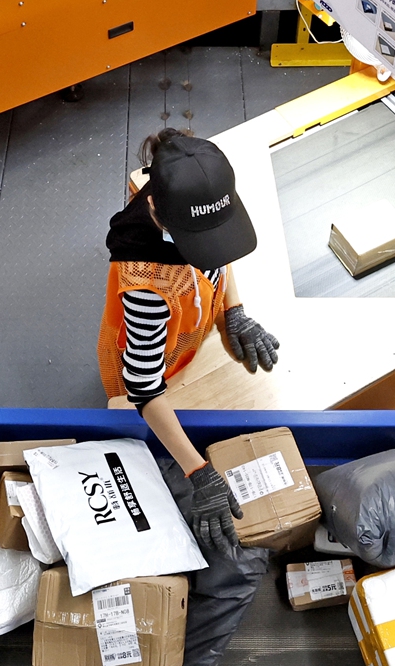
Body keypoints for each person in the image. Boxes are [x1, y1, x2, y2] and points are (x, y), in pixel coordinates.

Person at [100, 128, 281, 557]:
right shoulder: (147, 287)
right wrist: (198, 471)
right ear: (155, 211)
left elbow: (218, 251)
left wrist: (233, 311)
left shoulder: (194, 204)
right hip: (152, 368)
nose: (214, 246)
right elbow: (142, 386)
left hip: (192, 337)